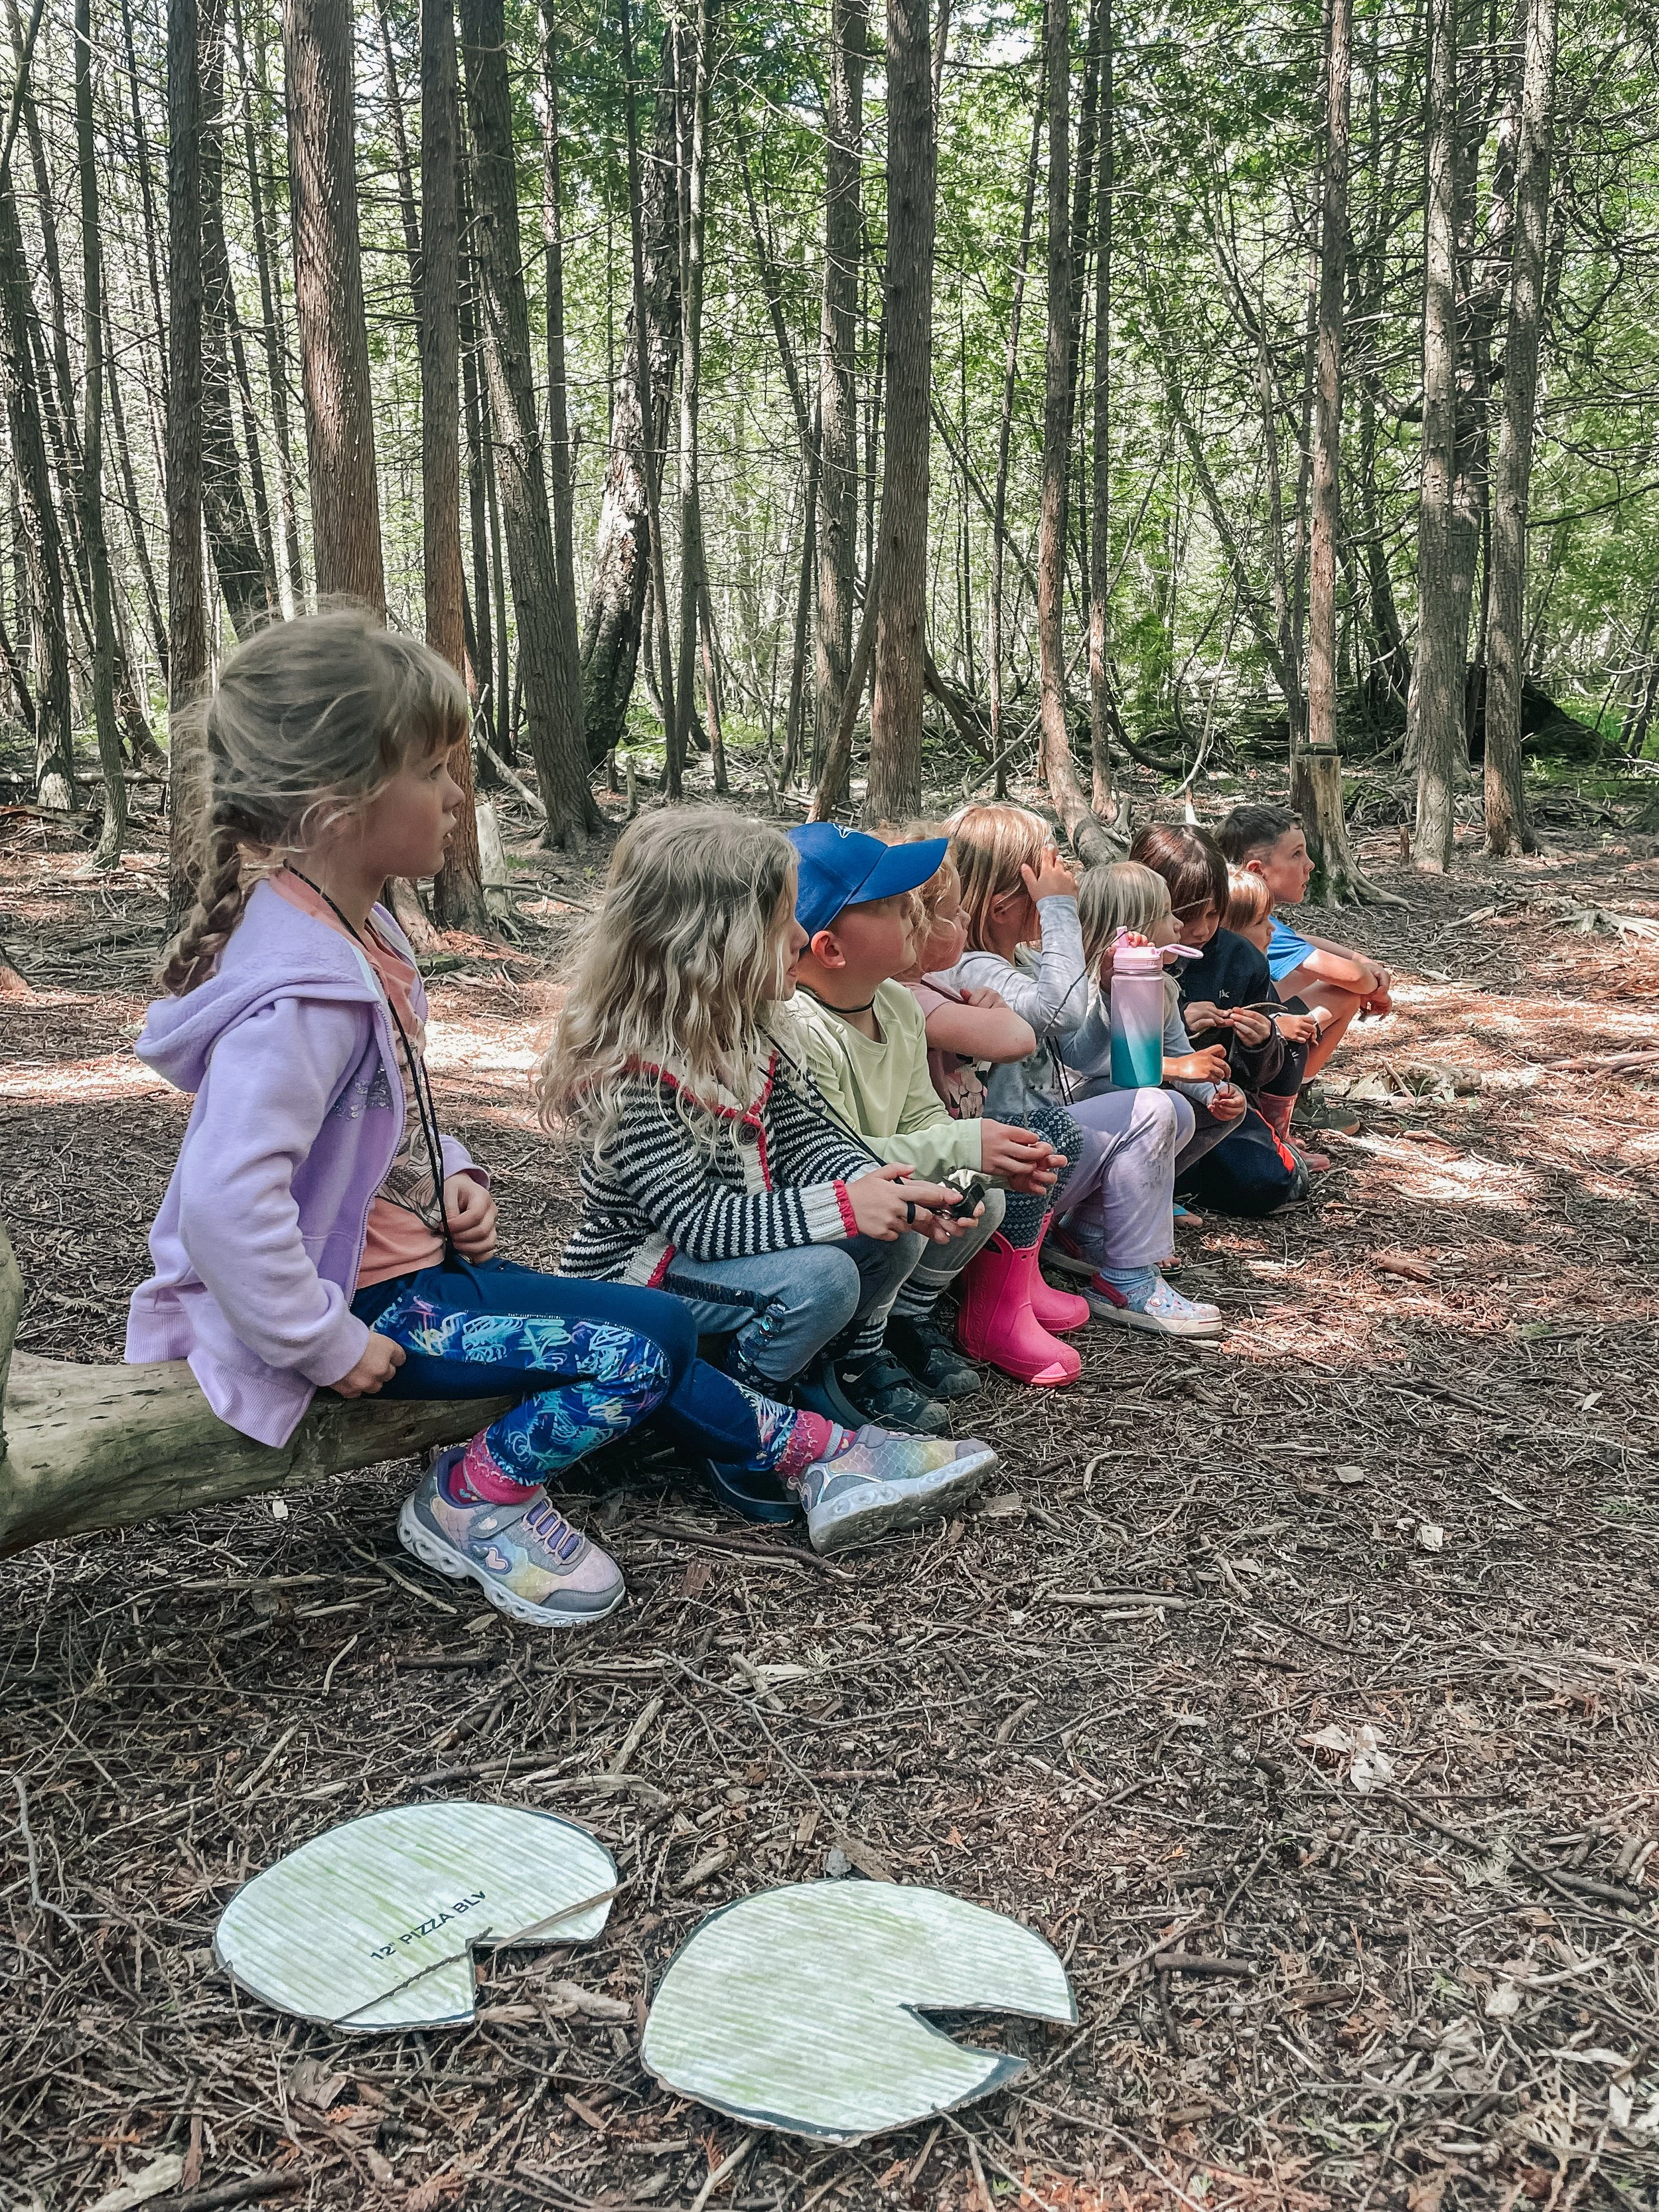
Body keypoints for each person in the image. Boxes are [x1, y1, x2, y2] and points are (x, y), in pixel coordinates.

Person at [129, 615, 995, 1624]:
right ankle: (474, 1498)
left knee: (652, 1329)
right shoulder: (303, 992)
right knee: (637, 1343)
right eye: (433, 770)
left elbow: (380, 1119)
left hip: (399, 1273)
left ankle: (820, 1450)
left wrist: (440, 1174)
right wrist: (317, 1341)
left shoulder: (356, 932)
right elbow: (228, 1204)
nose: (459, 796)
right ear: (342, 799)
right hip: (348, 1309)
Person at [540, 802, 1003, 1512]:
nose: (797, 934)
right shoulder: (634, 1070)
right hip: (640, 1276)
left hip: (727, 1258)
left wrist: (886, 1187)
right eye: (779, 919)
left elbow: (811, 1136)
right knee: (820, 1276)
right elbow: (698, 1224)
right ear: (713, 941)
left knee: (888, 1235)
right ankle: (743, 1429)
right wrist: (851, 1204)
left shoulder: (753, 1033)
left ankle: (820, 1381)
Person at [786, 822, 1066, 1398]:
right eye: (891, 904)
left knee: (979, 1195)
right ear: (830, 949)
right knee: (906, 1227)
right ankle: (859, 1345)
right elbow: (830, 1159)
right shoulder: (801, 1029)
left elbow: (920, 1119)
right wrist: (963, 1147)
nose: (912, 911)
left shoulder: (895, 1003)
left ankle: (908, 1316)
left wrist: (980, 1162)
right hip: (837, 1201)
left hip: (891, 1176)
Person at [943, 804, 1222, 1343]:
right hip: (1006, 1161)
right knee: (1155, 1108)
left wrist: (1113, 987)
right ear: (1005, 905)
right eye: (1046, 874)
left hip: (1042, 1148)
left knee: (1175, 1109)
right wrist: (1061, 912)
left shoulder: (1018, 960)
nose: (1064, 879)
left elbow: (1078, 1050)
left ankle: (1090, 1235)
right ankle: (1127, 1280)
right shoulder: (974, 967)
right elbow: (1058, 1010)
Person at [1129, 822, 1316, 1214]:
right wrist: (1176, 1019)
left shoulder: (1240, 959)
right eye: (1184, 915)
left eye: (1214, 914)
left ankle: (1178, 1180)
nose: (1199, 930)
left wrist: (1260, 1041)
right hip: (1132, 1098)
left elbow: (1255, 1077)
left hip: (1212, 1104)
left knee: (1264, 1183)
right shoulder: (1123, 954)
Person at [1216, 802, 1392, 1081]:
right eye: (1297, 854)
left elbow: (1301, 942)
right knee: (1346, 993)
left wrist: (1362, 960)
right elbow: (1355, 979)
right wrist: (1375, 988)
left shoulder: (1238, 908)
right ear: (1258, 870)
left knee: (1314, 974)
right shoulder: (1250, 926)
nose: (1309, 864)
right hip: (1247, 1045)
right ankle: (1299, 1090)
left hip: (1243, 1032)